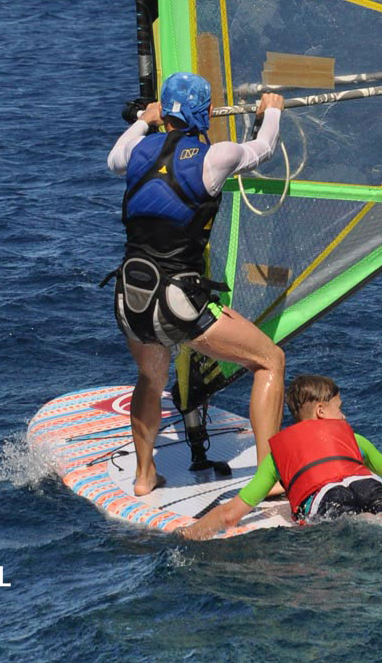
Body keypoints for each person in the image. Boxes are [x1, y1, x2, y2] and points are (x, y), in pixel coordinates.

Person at [107, 71, 286, 495]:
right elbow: (263, 149)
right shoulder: (216, 156)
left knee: (151, 376)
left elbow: (114, 159)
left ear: (163, 114)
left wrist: (142, 120)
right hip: (178, 306)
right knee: (270, 361)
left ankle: (144, 476)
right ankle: (268, 480)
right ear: (205, 113)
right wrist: (272, 112)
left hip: (130, 299)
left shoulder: (134, 150)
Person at [178, 374, 382, 546]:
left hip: (325, 496)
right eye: (339, 408)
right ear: (321, 411)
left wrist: (189, 534)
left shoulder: (278, 456)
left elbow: (232, 514)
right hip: (366, 482)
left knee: (368, 522)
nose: (343, 416)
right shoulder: (354, 440)